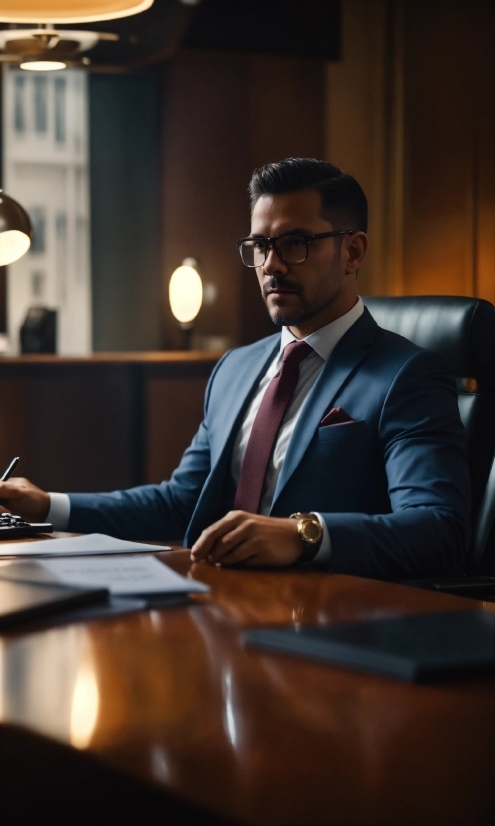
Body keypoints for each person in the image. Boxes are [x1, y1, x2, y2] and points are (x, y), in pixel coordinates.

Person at [0, 158, 470, 580]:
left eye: (296, 243)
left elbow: (438, 530)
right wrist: (47, 506)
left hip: (327, 623)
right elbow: (179, 502)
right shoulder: (236, 369)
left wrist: (303, 535)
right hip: (212, 606)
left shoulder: (407, 374)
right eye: (261, 245)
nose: (272, 265)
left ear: (353, 252)